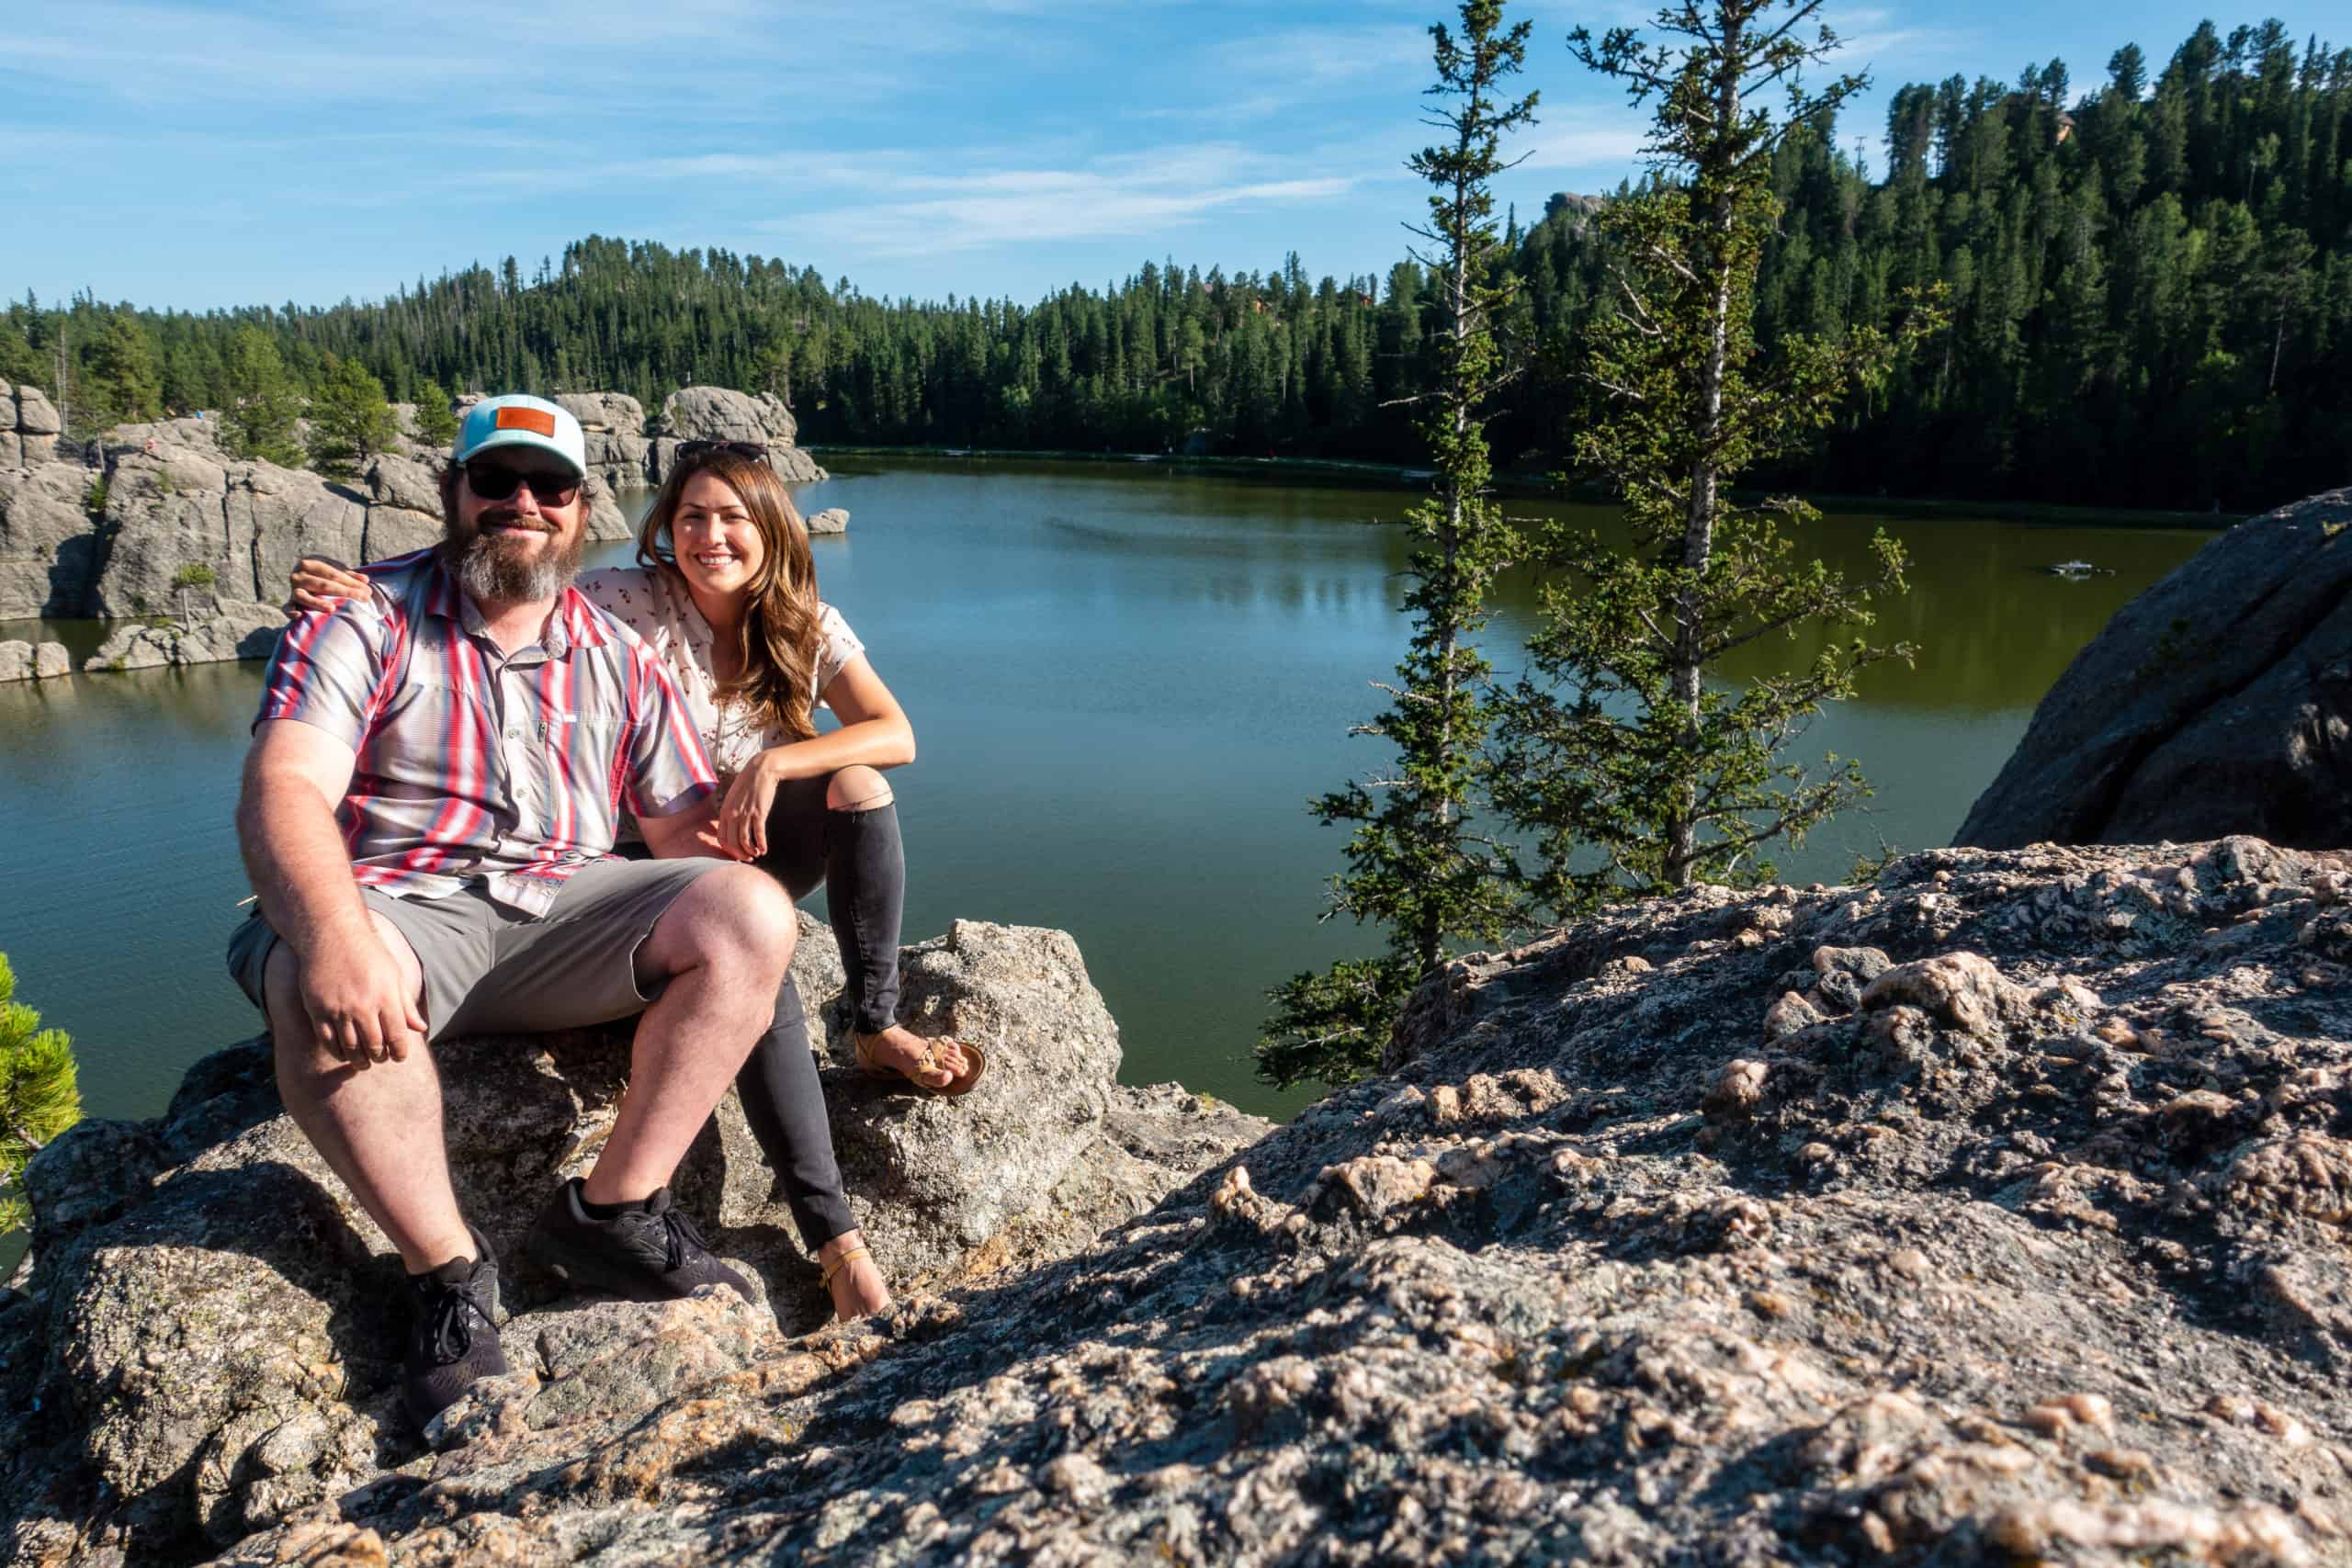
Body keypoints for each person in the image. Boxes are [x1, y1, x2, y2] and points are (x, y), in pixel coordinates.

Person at [233, 395, 880, 1429]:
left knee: (750, 918)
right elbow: (284, 788)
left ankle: (613, 1212)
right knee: (317, 984)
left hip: (562, 906)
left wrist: (806, 805)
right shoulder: (364, 614)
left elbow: (676, 833)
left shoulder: (615, 652)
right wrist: (334, 938)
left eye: (550, 488)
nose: (522, 503)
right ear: (455, 494)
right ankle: (447, 1277)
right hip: (400, 903)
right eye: (497, 482)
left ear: (583, 512)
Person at [286, 442, 983, 1267]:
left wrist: (775, 760)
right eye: (692, 516)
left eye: (733, 517)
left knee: (858, 783)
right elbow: (506, 574)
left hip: (738, 843)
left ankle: (873, 1024)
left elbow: (896, 732)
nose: (710, 536)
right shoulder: (623, 598)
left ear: (772, 529)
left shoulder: (805, 624)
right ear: (666, 527)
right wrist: (370, 584)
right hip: (635, 861)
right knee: (756, 949)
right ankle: (836, 1242)